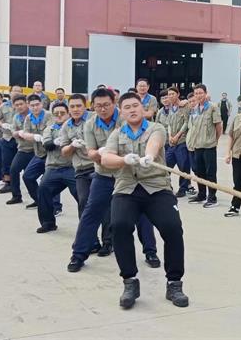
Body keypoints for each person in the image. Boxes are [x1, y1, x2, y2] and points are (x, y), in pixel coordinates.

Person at [101, 92, 189, 309]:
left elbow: (156, 142)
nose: (132, 110)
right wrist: (123, 160)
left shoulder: (155, 127)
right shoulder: (117, 134)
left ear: (143, 108)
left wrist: (149, 155)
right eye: (127, 107)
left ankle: (174, 283)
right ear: (121, 112)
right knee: (119, 226)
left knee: (172, 228)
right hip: (126, 188)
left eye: (135, 105)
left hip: (156, 187)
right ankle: (130, 281)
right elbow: (105, 158)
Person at [68, 88, 160, 271]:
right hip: (103, 174)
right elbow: (90, 151)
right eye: (98, 106)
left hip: (128, 175)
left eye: (107, 105)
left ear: (114, 103)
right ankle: (78, 255)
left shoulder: (125, 118)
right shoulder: (90, 124)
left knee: (141, 213)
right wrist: (99, 154)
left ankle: (150, 251)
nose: (103, 109)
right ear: (92, 106)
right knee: (91, 211)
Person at [36, 103, 78, 233]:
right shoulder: (50, 129)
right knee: (43, 190)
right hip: (53, 168)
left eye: (62, 113)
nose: (59, 116)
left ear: (68, 114)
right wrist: (55, 142)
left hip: (72, 168)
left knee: (82, 196)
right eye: (56, 114)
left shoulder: (74, 127)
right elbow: (46, 145)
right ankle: (48, 223)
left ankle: (87, 228)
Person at [17, 94, 59, 211]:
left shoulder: (49, 115)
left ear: (41, 104)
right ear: (28, 106)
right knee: (28, 176)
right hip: (39, 153)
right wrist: (34, 136)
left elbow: (51, 131)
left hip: (51, 153)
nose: (35, 107)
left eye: (37, 105)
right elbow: (25, 134)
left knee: (51, 181)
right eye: (32, 105)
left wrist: (42, 137)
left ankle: (55, 207)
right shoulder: (29, 118)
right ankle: (39, 200)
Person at [187, 84, 222, 208]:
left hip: (209, 145)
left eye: (200, 93)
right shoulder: (194, 108)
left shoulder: (213, 107)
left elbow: (218, 126)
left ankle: (212, 197)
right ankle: (201, 194)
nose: (198, 96)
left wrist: (215, 140)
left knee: (210, 173)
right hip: (197, 145)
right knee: (199, 171)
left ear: (206, 93)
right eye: (196, 93)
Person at [59, 94, 95, 215]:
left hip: (98, 166)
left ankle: (108, 234)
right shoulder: (66, 125)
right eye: (72, 106)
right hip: (81, 169)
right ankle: (86, 233)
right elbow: (64, 151)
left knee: (104, 203)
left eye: (79, 106)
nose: (75, 109)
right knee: (83, 201)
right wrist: (72, 145)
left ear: (86, 106)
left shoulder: (94, 119)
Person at [0, 86, 22, 195]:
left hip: (21, 139)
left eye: (19, 91)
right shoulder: (3, 106)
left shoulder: (24, 105)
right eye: (14, 91)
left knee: (21, 163)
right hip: (7, 137)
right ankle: (8, 184)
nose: (16, 93)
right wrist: (2, 124)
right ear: (10, 93)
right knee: (6, 162)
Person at [5, 95, 34, 205]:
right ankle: (16, 196)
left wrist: (24, 134)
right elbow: (13, 131)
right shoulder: (16, 117)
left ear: (26, 104)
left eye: (21, 104)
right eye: (16, 105)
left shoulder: (33, 116)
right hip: (22, 149)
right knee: (13, 170)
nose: (19, 106)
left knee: (29, 176)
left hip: (35, 150)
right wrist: (18, 133)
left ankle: (37, 198)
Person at [165, 87, 192, 198]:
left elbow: (186, 122)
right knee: (166, 165)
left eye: (172, 94)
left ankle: (183, 188)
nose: (170, 96)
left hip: (181, 141)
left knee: (183, 167)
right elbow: (169, 124)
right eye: (169, 94)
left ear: (178, 94)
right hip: (172, 142)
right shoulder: (171, 108)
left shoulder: (185, 106)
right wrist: (170, 136)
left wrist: (177, 136)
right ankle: (167, 187)